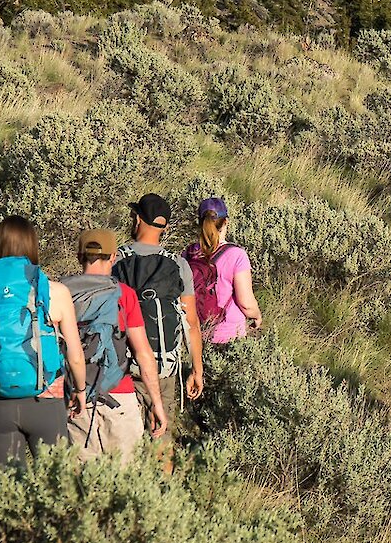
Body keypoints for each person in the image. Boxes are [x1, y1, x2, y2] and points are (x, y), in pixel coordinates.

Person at [0, 215, 88, 467]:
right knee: (56, 488)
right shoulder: (55, 292)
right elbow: (75, 354)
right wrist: (81, 390)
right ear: (32, 245)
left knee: (8, 492)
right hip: (45, 401)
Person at [63, 229, 170, 460]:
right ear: (113, 257)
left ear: (79, 256)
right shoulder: (125, 295)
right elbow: (143, 354)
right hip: (119, 396)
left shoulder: (60, 293)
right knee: (126, 482)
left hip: (75, 397)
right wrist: (156, 403)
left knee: (84, 484)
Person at [112, 193, 204, 409]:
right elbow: (191, 323)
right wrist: (197, 370)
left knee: (127, 441)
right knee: (161, 439)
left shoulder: (116, 261)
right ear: (165, 228)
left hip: (126, 371)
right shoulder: (179, 264)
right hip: (165, 369)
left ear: (137, 220)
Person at [185, 197, 261, 344]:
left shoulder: (189, 253)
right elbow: (246, 303)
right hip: (229, 334)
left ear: (200, 223)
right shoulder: (236, 255)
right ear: (226, 222)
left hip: (194, 334)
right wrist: (256, 316)